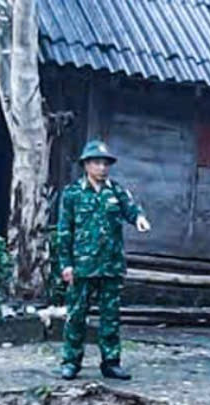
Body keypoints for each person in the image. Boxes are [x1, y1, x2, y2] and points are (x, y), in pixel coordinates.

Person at [55, 139, 151, 381]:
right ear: (86, 165)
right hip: (82, 266)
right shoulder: (73, 194)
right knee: (77, 316)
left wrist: (139, 218)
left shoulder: (116, 191)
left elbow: (131, 209)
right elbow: (64, 231)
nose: (102, 168)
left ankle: (111, 362)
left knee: (110, 316)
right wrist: (65, 264)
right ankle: (71, 361)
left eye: (106, 163)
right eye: (97, 163)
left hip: (111, 266)